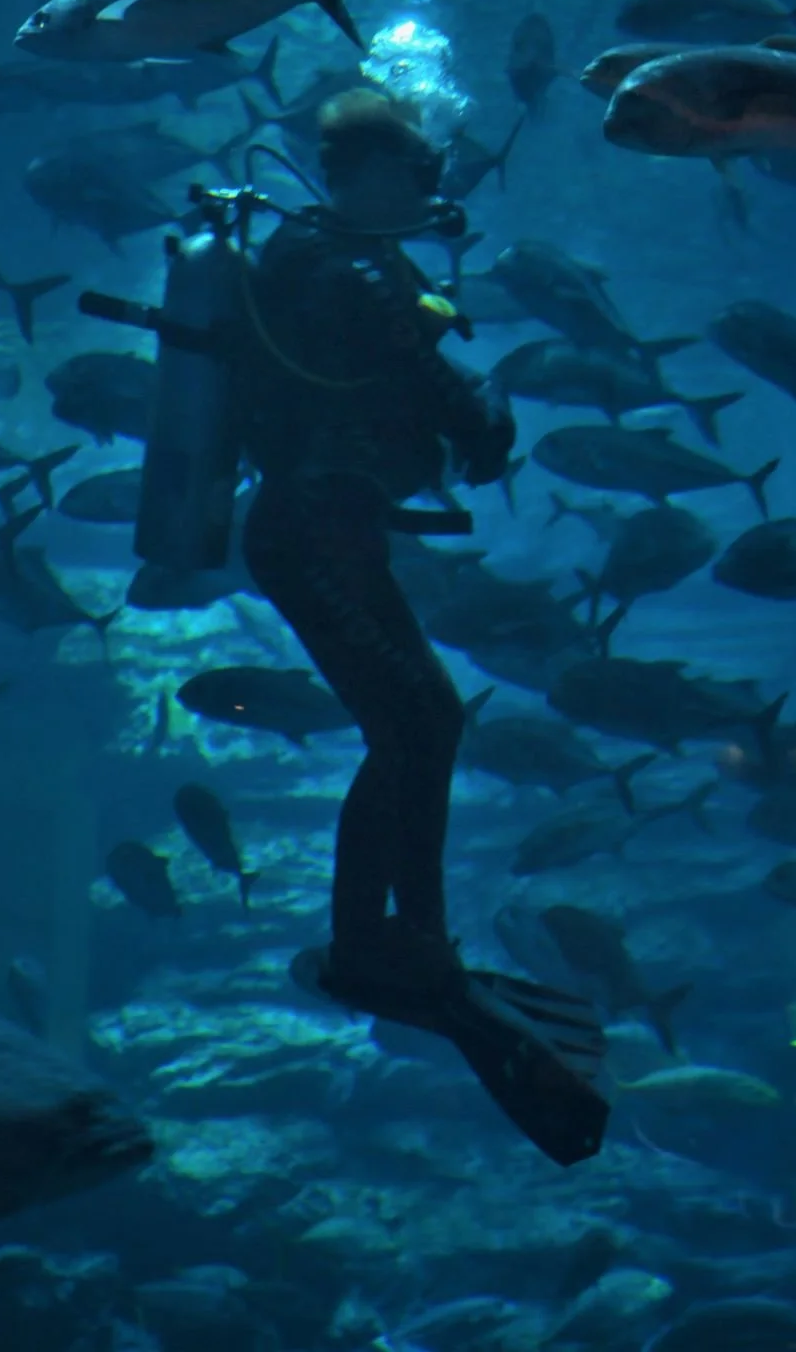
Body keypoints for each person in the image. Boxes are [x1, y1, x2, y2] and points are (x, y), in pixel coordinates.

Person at [237, 88, 514, 1000]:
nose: (433, 184)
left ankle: (407, 937)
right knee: (416, 721)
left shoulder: (340, 256)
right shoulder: (341, 266)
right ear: (365, 170)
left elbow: (407, 364)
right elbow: (420, 371)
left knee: (419, 721)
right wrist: (485, 419)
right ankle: (384, 943)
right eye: (418, 166)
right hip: (311, 532)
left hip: (329, 531)